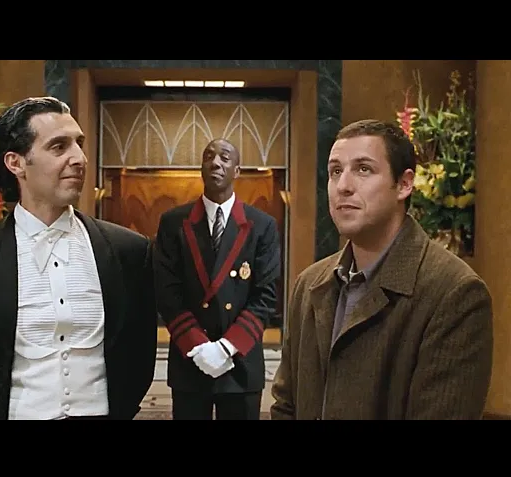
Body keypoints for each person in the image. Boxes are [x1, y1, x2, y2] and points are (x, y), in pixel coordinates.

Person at [0, 96, 158, 420]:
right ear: (16, 163)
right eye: (59, 147)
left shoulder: (128, 250)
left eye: (79, 144)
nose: (79, 158)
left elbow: (139, 355)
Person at [270, 119, 493, 420]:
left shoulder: (455, 293)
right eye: (335, 171)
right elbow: (285, 406)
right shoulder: (309, 283)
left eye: (363, 169)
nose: (343, 186)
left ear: (404, 184)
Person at [153, 138, 281, 420]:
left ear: (237, 170)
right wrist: (198, 346)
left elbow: (266, 295)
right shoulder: (173, 222)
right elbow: (166, 291)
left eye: (225, 157)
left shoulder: (262, 226)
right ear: (201, 167)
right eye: (209, 156)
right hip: (190, 359)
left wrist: (226, 347)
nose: (215, 163)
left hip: (240, 362)